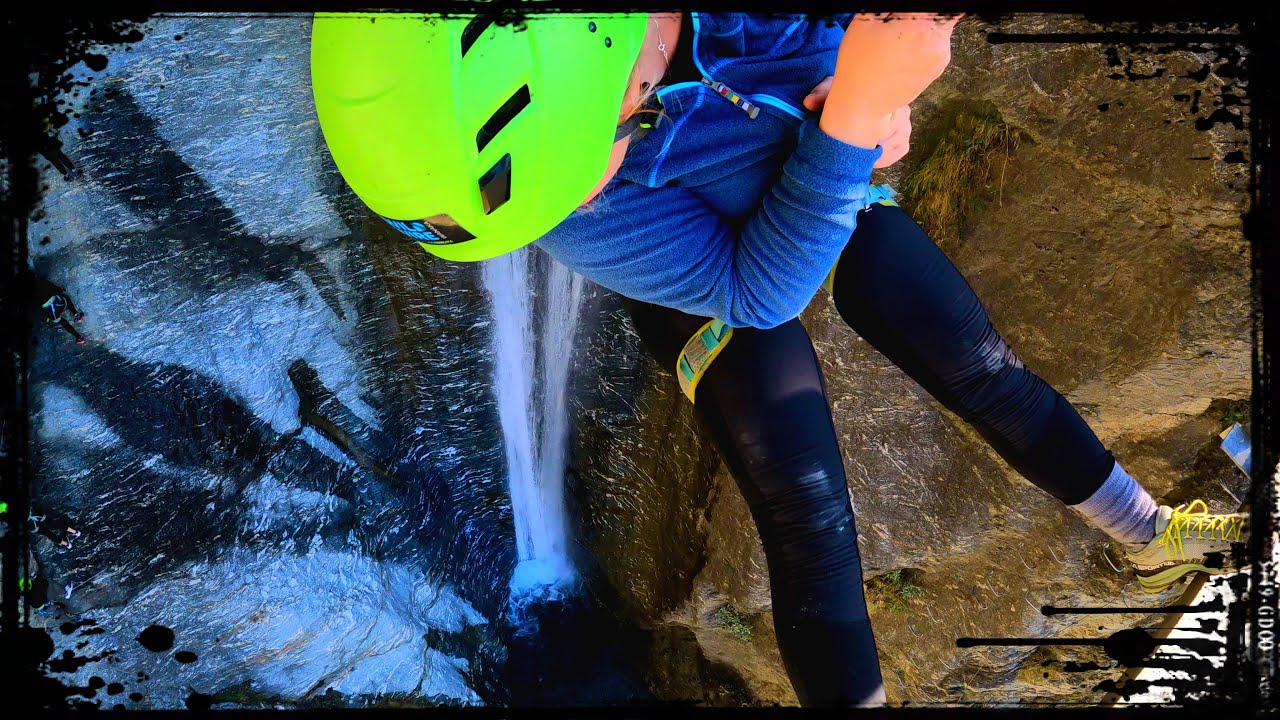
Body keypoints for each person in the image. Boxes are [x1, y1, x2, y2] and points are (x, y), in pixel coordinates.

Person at [312, 12, 1250, 706]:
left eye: (583, 155)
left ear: (594, 60)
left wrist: (877, 92)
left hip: (802, 172)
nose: (575, 198)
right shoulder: (571, 205)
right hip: (699, 268)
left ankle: (1146, 533)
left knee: (975, 360)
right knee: (804, 502)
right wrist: (860, 110)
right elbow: (752, 293)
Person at [23, 271, 86, 344]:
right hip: (58, 304)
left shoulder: (28, 294)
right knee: (65, 297)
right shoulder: (40, 282)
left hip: (51, 314)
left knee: (62, 321)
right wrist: (61, 289)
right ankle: (77, 315)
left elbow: (34, 309)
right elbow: (57, 290)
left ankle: (78, 337)